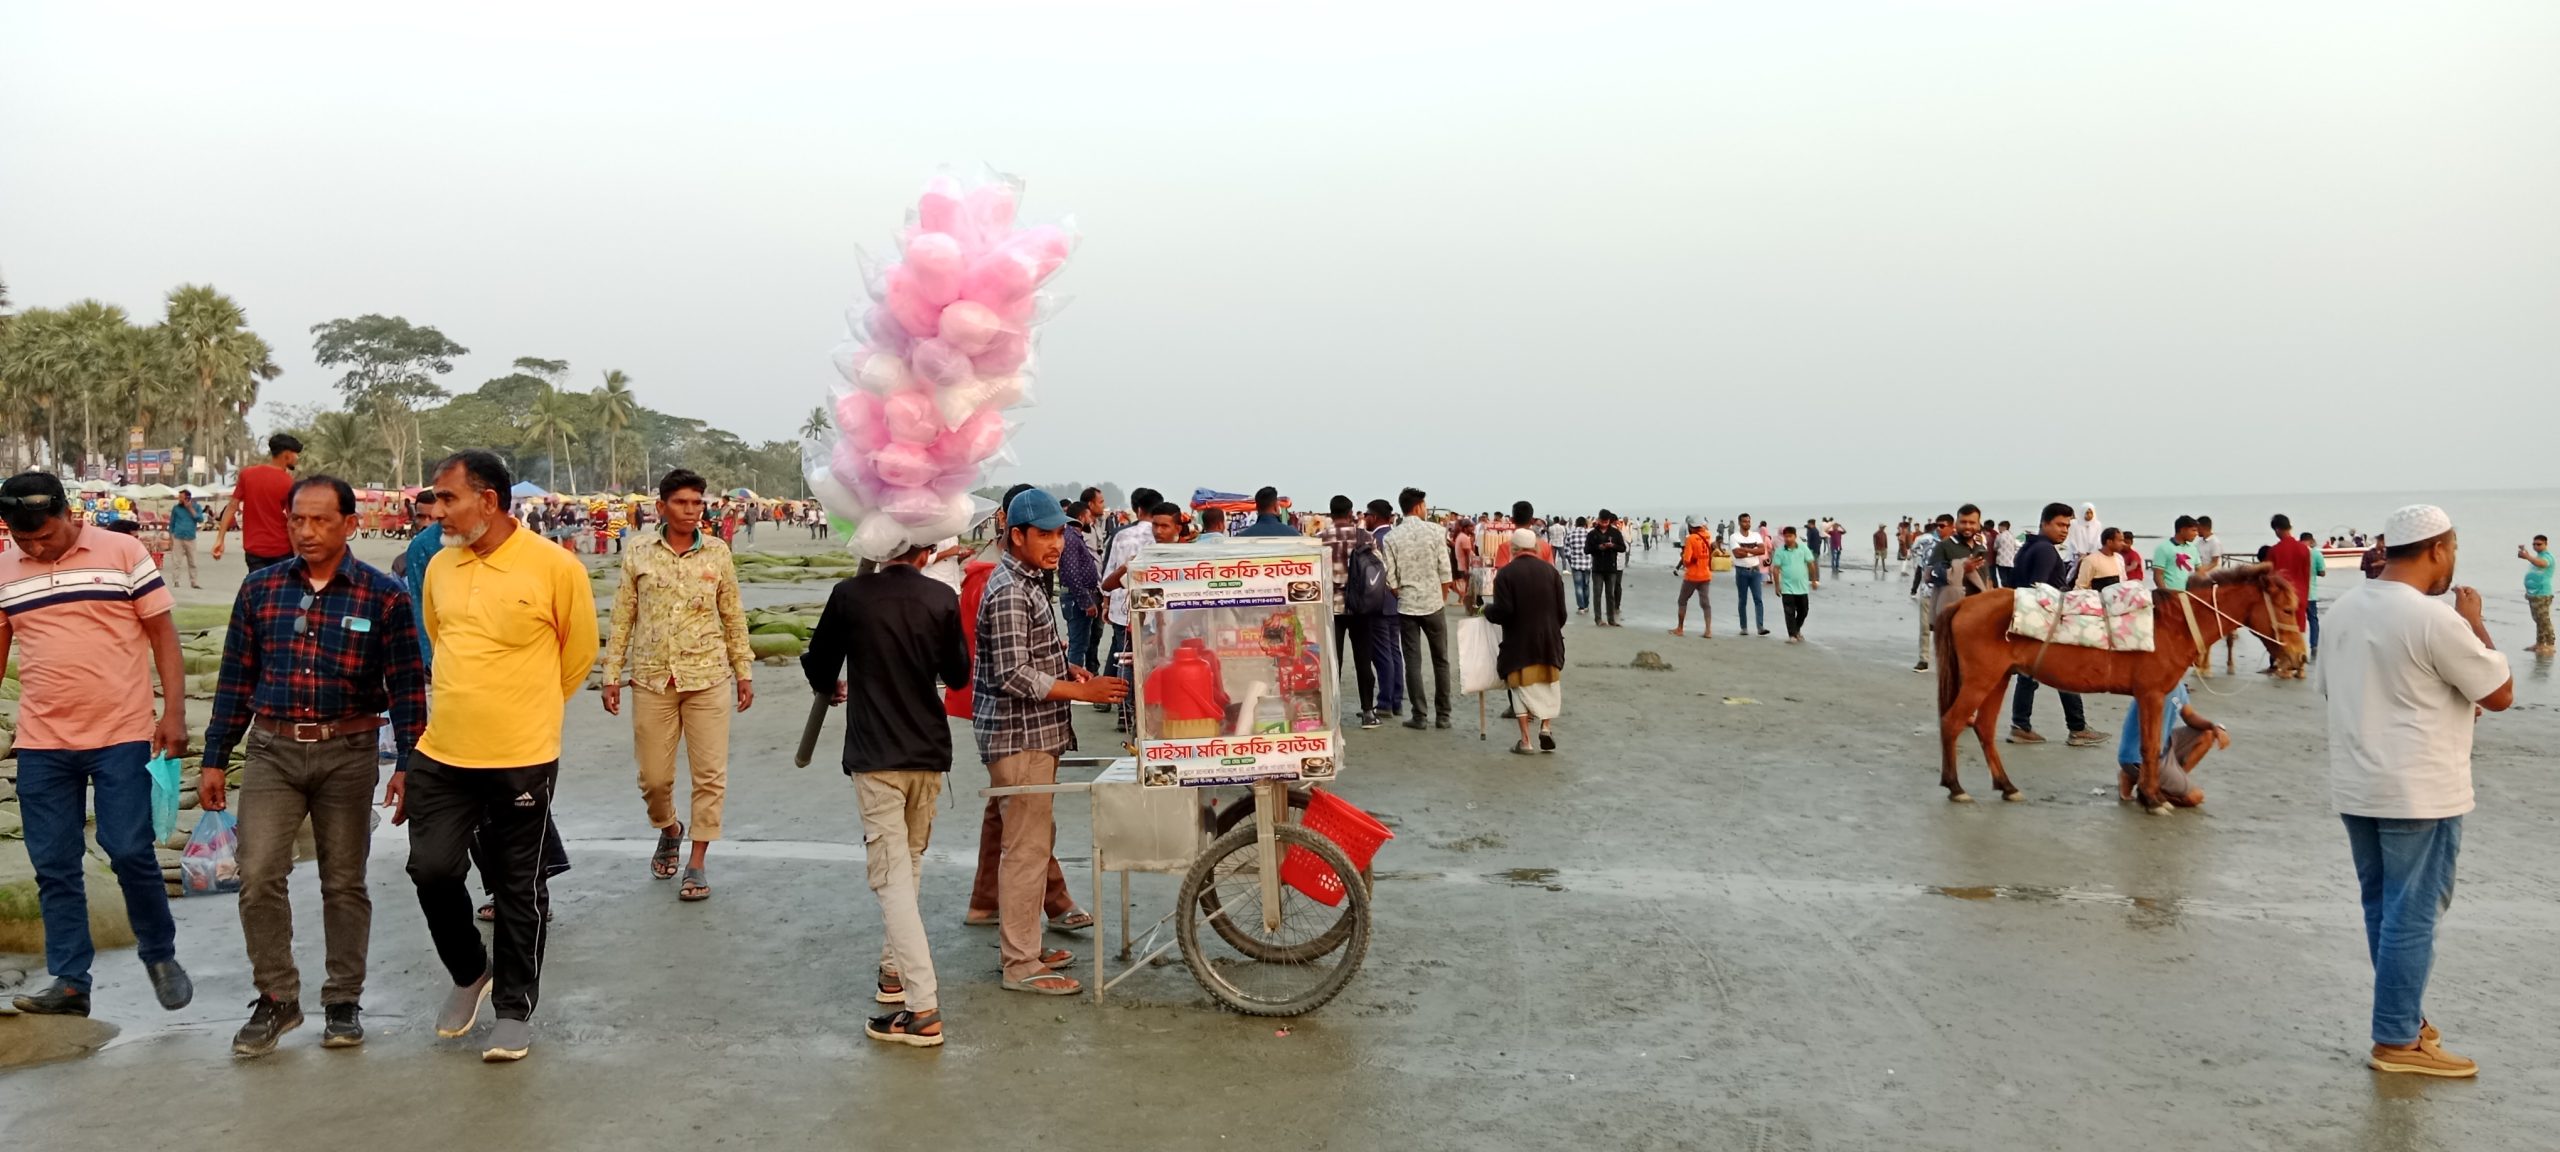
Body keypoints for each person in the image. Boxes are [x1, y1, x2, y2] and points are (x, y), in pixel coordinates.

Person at [200, 475, 428, 1055]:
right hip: (272, 751)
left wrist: (408, 762)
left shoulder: (384, 596)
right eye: (298, 519)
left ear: (350, 525)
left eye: (321, 520)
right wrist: (213, 758)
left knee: (344, 881)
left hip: (349, 754)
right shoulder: (260, 589)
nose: (306, 531)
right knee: (256, 877)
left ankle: (343, 1000)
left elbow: (406, 688)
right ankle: (276, 999)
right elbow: (234, 680)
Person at [403, 451, 599, 1063]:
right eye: (434, 499)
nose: (437, 510)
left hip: (522, 753)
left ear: (488, 501)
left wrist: (527, 708)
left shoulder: (554, 566)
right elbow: (439, 639)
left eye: (447, 498)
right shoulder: (439, 565)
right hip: (444, 751)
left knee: (518, 885)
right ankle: (470, 972)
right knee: (430, 870)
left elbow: (578, 654)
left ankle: (515, 1008)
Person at [2317, 504, 2513, 1077]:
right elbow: (2499, 692)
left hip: (2359, 783)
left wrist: (2439, 703)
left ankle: (2405, 1023)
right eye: (2452, 549)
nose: (2453, 561)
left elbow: (2338, 689)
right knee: (2414, 913)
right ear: (2437, 549)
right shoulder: (2435, 618)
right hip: (2419, 789)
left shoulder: (2346, 608)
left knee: (2386, 908)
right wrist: (2475, 620)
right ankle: (2397, 1039)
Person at [0, 471, 195, 1018]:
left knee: (128, 849)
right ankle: (69, 981)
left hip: (122, 734)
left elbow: (163, 635)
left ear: (69, 515)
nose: (36, 546)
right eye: (23, 539)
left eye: (45, 534)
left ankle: (160, 954)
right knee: (54, 864)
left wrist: (173, 713)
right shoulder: (5, 570)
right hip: (42, 742)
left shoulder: (123, 551)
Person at [802, 530, 973, 1047]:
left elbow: (818, 662)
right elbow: (958, 675)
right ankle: (892, 972)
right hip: (927, 753)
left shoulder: (849, 595)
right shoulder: (941, 597)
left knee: (891, 878)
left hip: (877, 755)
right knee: (909, 866)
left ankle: (922, 1008)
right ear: (924, 551)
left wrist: (832, 684)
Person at [976, 489, 1128, 997]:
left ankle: (1028, 947)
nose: (1057, 543)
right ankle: (1020, 964)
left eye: (1060, 532)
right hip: (1018, 739)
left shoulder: (1031, 581)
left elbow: (1033, 655)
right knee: (1024, 851)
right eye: (1045, 534)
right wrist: (1082, 691)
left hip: (1037, 735)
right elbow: (1012, 674)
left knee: (1034, 845)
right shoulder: (1008, 590)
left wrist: (1067, 669)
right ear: (1016, 535)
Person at [600, 469, 755, 903]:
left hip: (708, 678)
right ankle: (670, 827)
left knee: (709, 775)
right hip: (651, 679)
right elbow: (623, 617)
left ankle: (698, 862)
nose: (691, 510)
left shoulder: (718, 553)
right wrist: (611, 675)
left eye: (697, 503)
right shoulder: (639, 552)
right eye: (682, 502)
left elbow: (733, 615)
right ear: (661, 507)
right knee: (653, 777)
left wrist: (743, 670)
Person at [2008, 503, 2102, 746]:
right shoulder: (2046, 551)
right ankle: (2077, 728)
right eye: (2060, 524)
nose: (2065, 530)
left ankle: (2021, 725)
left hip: (2029, 622)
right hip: (2046, 623)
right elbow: (2039, 589)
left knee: (2028, 676)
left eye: (2068, 525)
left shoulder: (2028, 547)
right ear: (2044, 523)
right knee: (2066, 674)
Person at [1380, 486, 1457, 729]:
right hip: (1434, 604)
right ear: (1418, 507)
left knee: (1413, 662)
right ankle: (1443, 715)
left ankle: (1420, 715)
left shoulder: (1392, 537)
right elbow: (1446, 572)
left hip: (1407, 606)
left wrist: (1402, 593)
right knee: (1441, 660)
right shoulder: (1436, 531)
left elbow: (1390, 579)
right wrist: (1441, 598)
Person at [1485, 528, 1566, 755]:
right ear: (1536, 548)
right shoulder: (1552, 573)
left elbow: (1504, 610)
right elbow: (1562, 614)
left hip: (1519, 642)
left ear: (1513, 549)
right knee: (1549, 684)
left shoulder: (1506, 574)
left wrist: (1487, 610)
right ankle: (1546, 728)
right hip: (1549, 641)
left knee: (1520, 688)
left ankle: (1526, 741)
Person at [1321, 496, 1383, 728]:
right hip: (1360, 607)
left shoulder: (1319, 540)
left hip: (1331, 608)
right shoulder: (1365, 537)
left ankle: (1331, 714)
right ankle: (1368, 711)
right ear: (1350, 513)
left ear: (1331, 514)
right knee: (1363, 661)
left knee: (1333, 662)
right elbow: (1377, 568)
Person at [2114, 678, 2224, 807]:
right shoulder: (2152, 682)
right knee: (2195, 797)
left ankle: (2167, 782)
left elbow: (2189, 715)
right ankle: (2151, 788)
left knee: (2208, 733)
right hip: (2143, 755)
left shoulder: (2178, 686)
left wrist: (2214, 727)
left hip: (2163, 744)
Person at [210, 432, 302, 571]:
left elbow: (232, 507)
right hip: (282, 549)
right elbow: (291, 521)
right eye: (296, 454)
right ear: (287, 455)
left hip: (254, 550)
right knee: (280, 591)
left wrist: (220, 539)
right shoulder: (289, 483)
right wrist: (297, 554)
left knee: (258, 590)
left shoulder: (247, 474)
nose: (297, 458)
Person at [1364, 498, 1407, 718]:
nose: (1364, 519)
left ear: (1374, 516)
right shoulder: (1397, 537)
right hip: (1396, 601)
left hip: (1379, 602)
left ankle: (1385, 702)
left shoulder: (1374, 541)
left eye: (1366, 515)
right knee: (1394, 651)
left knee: (1382, 654)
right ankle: (1397, 700)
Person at [2265, 515, 2315, 679]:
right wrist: (2305, 596)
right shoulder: (2303, 549)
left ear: (2277, 529)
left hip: (2282, 598)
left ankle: (2286, 665)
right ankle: (2301, 667)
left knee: (2283, 633)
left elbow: (2269, 577)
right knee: (2299, 631)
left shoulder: (2274, 551)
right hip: (2300, 595)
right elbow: (2306, 574)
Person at [1059, 496, 1103, 673]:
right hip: (1076, 597)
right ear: (1082, 516)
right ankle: (1074, 685)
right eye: (1089, 516)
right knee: (1078, 644)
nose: (1091, 521)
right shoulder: (1070, 537)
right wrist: (1086, 602)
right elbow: (1071, 573)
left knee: (1083, 641)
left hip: (1081, 595)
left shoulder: (1076, 536)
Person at [1908, 516, 1947, 672]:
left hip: (1945, 592)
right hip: (1927, 590)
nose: (1939, 528)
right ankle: (1923, 659)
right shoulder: (1926, 540)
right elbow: (1913, 548)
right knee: (1925, 626)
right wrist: (1921, 563)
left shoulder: (1952, 544)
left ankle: (1945, 659)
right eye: (1937, 526)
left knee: (1945, 628)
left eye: (1943, 525)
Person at [1771, 525, 1819, 642]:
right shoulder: (1780, 551)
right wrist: (1777, 586)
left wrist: (1813, 580)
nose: (1787, 539)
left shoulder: (1803, 548)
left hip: (1802, 587)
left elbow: (1811, 564)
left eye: (1790, 536)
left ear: (1795, 536)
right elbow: (1776, 569)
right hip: (1787, 587)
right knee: (1789, 612)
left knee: (1804, 611)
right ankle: (1792, 635)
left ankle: (1796, 629)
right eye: (1785, 536)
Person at [1671, 523, 1716, 638]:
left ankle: (1680, 628)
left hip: (1692, 576)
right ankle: (1708, 630)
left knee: (1682, 600)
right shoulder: (1707, 536)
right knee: (1705, 603)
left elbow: (1686, 561)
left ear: (1691, 528)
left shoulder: (1691, 539)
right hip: (1705, 575)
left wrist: (1687, 557)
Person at [1729, 514, 1770, 636]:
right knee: (1743, 600)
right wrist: (1753, 551)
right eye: (1745, 521)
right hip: (1741, 571)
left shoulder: (1756, 535)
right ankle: (1744, 627)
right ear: (1740, 523)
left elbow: (1762, 550)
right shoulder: (1734, 537)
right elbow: (1737, 554)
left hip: (1755, 570)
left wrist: (1746, 550)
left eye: (1748, 521)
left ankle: (1760, 626)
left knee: (1758, 599)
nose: (1747, 523)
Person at [1584, 511, 1627, 627]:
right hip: (1597, 568)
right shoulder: (1592, 534)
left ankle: (1611, 619)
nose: (1604, 524)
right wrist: (1599, 547)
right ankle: (1598, 619)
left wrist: (1613, 546)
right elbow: (1586, 550)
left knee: (1610, 594)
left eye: (1606, 522)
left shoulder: (1615, 533)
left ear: (1609, 521)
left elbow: (1623, 548)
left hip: (1611, 567)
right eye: (1602, 522)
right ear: (1598, 520)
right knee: (1597, 593)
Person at [2520, 534, 2553, 655]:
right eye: (2534, 544)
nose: (2536, 546)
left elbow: (2542, 564)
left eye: (2539, 544)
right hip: (2533, 594)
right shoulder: (2537, 556)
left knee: (2544, 620)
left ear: (2546, 544)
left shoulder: (2547, 557)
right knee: (2538, 619)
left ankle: (2549, 645)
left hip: (2542, 594)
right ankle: (2539, 643)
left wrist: (2528, 556)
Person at [2151, 516, 2202, 592]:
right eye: (2193, 530)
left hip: (2190, 594)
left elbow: (2199, 571)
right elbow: (2158, 575)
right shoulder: (2163, 548)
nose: (2196, 534)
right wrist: (2167, 595)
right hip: (2172, 595)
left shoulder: (2193, 548)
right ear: (2183, 530)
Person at [166, 489, 205, 589]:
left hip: (190, 537)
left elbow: (200, 519)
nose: (179, 499)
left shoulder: (196, 507)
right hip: (178, 537)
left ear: (188, 498)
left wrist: (190, 508)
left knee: (193, 561)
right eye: (179, 498)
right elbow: (172, 523)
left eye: (181, 498)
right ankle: (176, 581)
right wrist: (171, 539)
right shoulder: (176, 508)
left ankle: (194, 582)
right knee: (176, 561)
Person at [2301, 531, 2327, 653]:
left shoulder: (2296, 553)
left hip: (2296, 594)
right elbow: (2322, 572)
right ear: (2311, 541)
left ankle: (2297, 645)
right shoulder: (2316, 554)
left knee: (2296, 620)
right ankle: (2314, 645)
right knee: (2313, 620)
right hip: (2311, 593)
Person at [1561, 515, 1591, 615]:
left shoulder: (1570, 534)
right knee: (1586, 585)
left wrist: (1572, 559)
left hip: (1575, 564)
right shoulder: (1589, 534)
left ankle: (1581, 608)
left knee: (1578, 586)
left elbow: (1566, 551)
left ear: (1576, 524)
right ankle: (1586, 606)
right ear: (1585, 525)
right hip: (1587, 564)